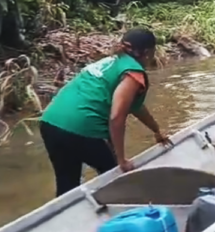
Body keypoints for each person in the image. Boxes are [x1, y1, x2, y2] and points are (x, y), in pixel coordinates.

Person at [39, 28, 172, 197]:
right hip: (82, 125)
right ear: (147, 52)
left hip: (51, 121)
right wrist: (121, 160)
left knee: (67, 185)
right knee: (116, 176)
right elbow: (117, 116)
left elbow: (136, 106)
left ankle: (64, 220)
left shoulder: (112, 61)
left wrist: (156, 130)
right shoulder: (133, 73)